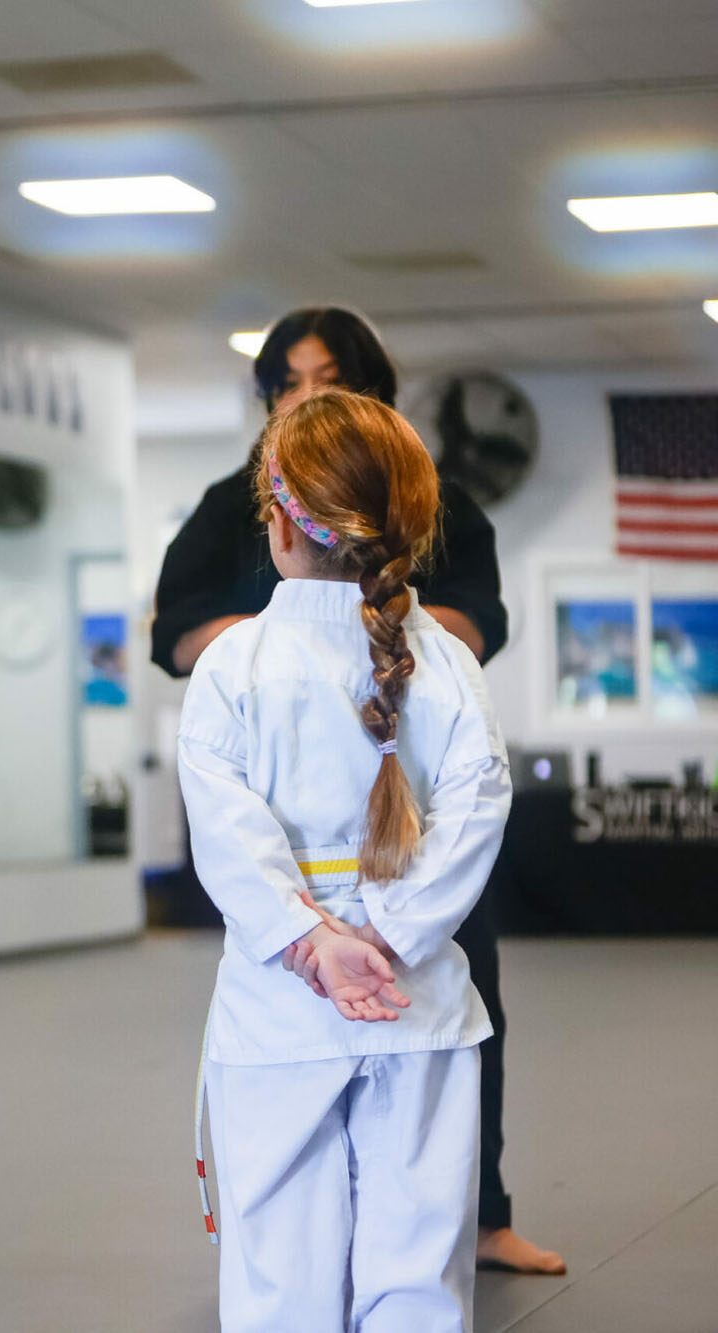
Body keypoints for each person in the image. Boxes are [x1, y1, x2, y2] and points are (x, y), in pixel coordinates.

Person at [152, 306, 564, 1276]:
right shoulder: (445, 663)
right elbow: (476, 804)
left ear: (277, 520)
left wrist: (311, 940)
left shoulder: (235, 665)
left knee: (278, 1270)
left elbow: (222, 820)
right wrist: (390, 931)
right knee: (417, 1267)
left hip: (278, 1002)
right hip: (415, 994)